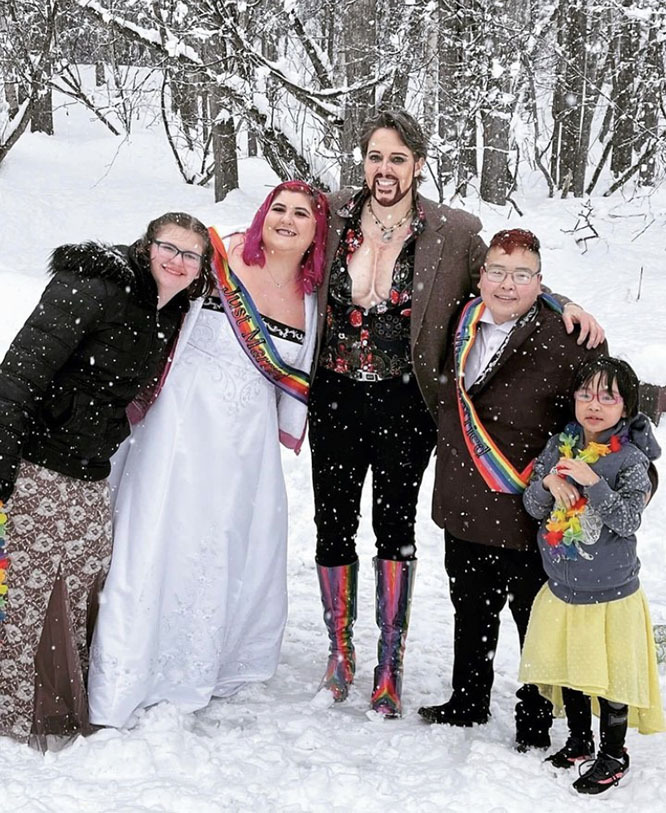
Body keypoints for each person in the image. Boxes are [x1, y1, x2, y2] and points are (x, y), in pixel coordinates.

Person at [309, 108, 604, 718]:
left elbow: (503, 280)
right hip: (336, 396)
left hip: (407, 403)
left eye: (397, 158)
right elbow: (269, 246)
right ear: (362, 162)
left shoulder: (454, 230)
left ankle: (389, 663)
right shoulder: (330, 214)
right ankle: (340, 652)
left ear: (418, 164)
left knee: (394, 528)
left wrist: (563, 300)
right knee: (332, 524)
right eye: (374, 157)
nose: (383, 170)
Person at [87, 181, 329, 728]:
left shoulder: (314, 302)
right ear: (264, 214)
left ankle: (199, 657)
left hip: (243, 445)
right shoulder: (218, 257)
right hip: (177, 426)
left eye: (302, 214)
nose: (287, 220)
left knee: (218, 547)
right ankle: (130, 664)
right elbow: (147, 280)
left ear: (317, 233)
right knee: (155, 537)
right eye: (279, 209)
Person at [0, 212, 213, 747]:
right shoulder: (95, 284)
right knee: (28, 588)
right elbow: (21, 369)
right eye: (168, 248)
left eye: (191, 255)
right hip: (38, 460)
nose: (177, 261)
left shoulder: (173, 309)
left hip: (90, 470)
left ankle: (60, 698)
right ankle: (15, 707)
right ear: (147, 247)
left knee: (82, 583)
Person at [419, 228, 607, 748]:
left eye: (522, 274)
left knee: (534, 619)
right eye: (498, 272)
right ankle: (468, 700)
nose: (507, 285)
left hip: (531, 508)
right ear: (481, 275)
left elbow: (601, 411)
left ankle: (535, 718)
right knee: (471, 609)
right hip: (464, 499)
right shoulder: (459, 320)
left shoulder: (568, 335)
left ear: (540, 282)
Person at [519, 356, 664, 795]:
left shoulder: (632, 460)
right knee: (572, 669)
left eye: (607, 396)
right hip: (564, 588)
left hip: (611, 593)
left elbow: (626, 520)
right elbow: (531, 506)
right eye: (585, 394)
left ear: (627, 406)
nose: (594, 405)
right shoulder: (559, 444)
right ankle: (580, 741)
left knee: (610, 676)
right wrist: (547, 486)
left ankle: (614, 754)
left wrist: (591, 481)